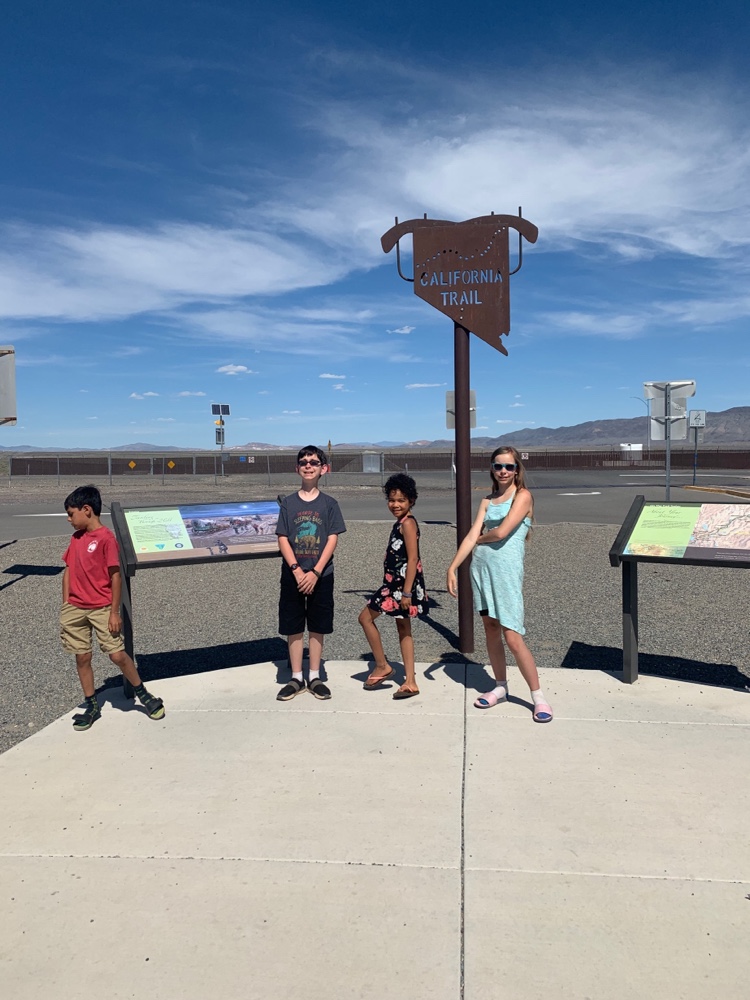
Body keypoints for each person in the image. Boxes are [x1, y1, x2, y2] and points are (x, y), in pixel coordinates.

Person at [446, 447, 553, 722]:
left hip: (505, 574)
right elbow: (470, 534)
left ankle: (538, 697)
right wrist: (453, 567)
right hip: (481, 570)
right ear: (492, 469)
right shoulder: (487, 500)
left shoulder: (523, 496)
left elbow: (502, 532)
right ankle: (500, 687)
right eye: (498, 466)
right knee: (491, 629)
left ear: (517, 469)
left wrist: (480, 538)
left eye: (509, 466)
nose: (503, 471)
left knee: (513, 636)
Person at [60, 485, 165, 731]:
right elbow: (68, 570)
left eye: (71, 514)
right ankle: (91, 704)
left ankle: (143, 693)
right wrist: (66, 603)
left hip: (102, 608)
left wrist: (114, 612)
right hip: (75, 608)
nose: (68, 519)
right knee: (82, 656)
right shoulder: (76, 539)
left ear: (86, 510)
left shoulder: (106, 539)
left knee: (117, 654)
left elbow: (115, 576)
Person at [275, 445, 346, 701]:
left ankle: (314, 675)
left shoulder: (329, 504)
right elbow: (283, 537)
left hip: (321, 575)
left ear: (323, 469)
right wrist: (296, 570)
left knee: (318, 625)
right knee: (293, 625)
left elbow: (332, 538)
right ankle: (296, 677)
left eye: (314, 462)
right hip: (293, 575)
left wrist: (316, 572)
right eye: (304, 462)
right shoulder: (288, 503)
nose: (308, 466)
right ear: (297, 468)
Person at [359, 473, 427, 700]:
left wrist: (407, 592)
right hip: (393, 584)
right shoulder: (401, 522)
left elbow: (413, 558)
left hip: (400, 587)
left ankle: (384, 667)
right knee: (402, 627)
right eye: (391, 500)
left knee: (366, 618)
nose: (395, 504)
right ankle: (408, 680)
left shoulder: (408, 523)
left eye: (401, 500)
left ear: (411, 501)